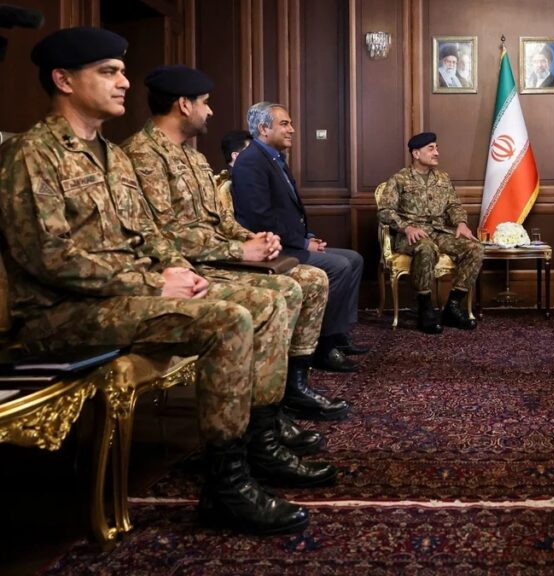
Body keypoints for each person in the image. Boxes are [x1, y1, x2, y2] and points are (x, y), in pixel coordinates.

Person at [0, 27, 329, 535]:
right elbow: (51, 258)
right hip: (61, 312)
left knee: (260, 302)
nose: (124, 82)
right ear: (63, 80)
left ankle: (256, 446)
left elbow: (151, 234)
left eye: (122, 72)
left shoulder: (110, 155)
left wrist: (178, 270)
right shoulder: (33, 154)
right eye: (108, 72)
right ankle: (226, 485)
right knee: (229, 320)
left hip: (119, 296)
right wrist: (152, 283)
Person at [122, 65, 352, 424]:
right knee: (281, 293)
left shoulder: (194, 157)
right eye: (205, 102)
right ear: (184, 104)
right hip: (183, 268)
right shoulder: (141, 155)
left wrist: (252, 238)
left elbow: (219, 220)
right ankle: (262, 420)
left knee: (311, 279)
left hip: (211, 258)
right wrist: (239, 250)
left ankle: (291, 390)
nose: (210, 110)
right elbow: (165, 233)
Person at [231, 101, 369, 372]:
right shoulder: (250, 162)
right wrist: (303, 243)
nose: (292, 129)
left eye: (291, 123)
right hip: (272, 249)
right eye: (284, 124)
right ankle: (324, 347)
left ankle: (338, 334)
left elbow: (289, 211)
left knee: (354, 259)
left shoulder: (274, 158)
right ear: (263, 129)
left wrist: (309, 236)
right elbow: (261, 218)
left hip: (291, 241)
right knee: (340, 266)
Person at [377, 132, 483, 333]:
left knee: (475, 248)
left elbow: (453, 205)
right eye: (431, 148)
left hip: (439, 231)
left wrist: (461, 223)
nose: (437, 153)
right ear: (416, 153)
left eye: (436, 148)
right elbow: (385, 211)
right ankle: (425, 309)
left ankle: (452, 307)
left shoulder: (443, 178)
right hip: (411, 235)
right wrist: (407, 227)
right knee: (425, 248)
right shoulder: (399, 179)